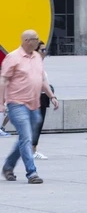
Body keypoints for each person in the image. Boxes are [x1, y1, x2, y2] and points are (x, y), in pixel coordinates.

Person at [0, 30, 58, 184]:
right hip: (17, 104)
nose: (38, 42)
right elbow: (3, 81)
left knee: (26, 138)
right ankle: (32, 173)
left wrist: (51, 96)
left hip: (34, 105)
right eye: (35, 39)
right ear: (27, 41)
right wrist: (1, 103)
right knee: (26, 138)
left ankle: (8, 166)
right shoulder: (13, 58)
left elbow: (42, 80)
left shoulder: (37, 57)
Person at [31, 41, 53, 160]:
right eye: (42, 50)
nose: (45, 53)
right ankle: (32, 150)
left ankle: (32, 149)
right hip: (35, 98)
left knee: (37, 125)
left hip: (42, 96)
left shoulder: (39, 64)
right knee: (36, 125)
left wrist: (51, 95)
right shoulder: (33, 64)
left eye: (45, 50)